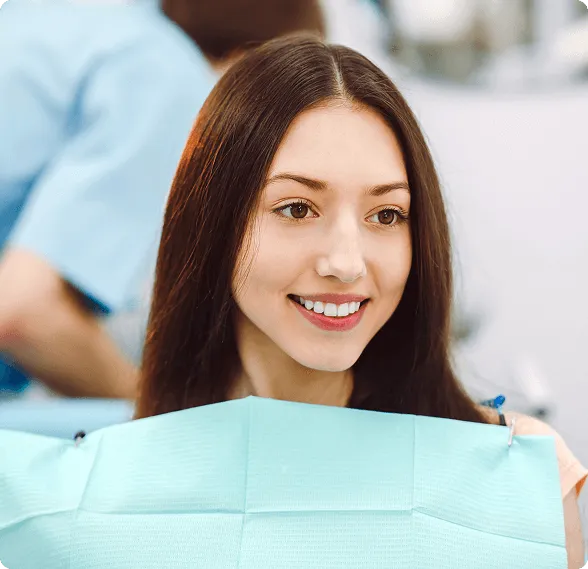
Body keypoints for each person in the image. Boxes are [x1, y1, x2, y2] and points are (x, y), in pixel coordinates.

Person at [134, 35, 587, 566]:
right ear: (212, 224)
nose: (347, 263)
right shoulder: (115, 493)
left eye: (387, 215)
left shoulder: (514, 478)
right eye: (298, 209)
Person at [0, 0, 324, 400]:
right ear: (247, 72)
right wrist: (159, 417)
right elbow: (25, 311)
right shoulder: (165, 75)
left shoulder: (65, 24)